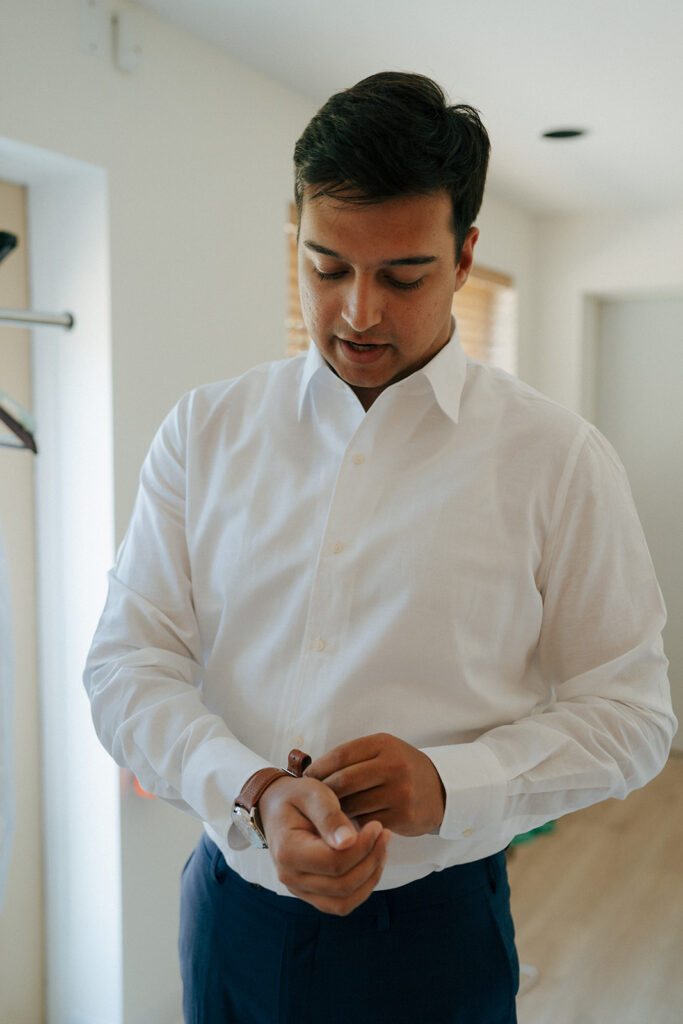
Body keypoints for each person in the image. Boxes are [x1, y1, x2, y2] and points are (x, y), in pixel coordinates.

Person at [83, 72, 676, 1024]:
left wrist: (451, 784)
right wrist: (255, 790)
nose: (358, 312)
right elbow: (125, 665)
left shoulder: (556, 460)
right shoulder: (205, 431)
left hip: (432, 939)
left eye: (402, 276)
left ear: (465, 254)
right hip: (229, 912)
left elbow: (635, 715)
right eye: (324, 268)